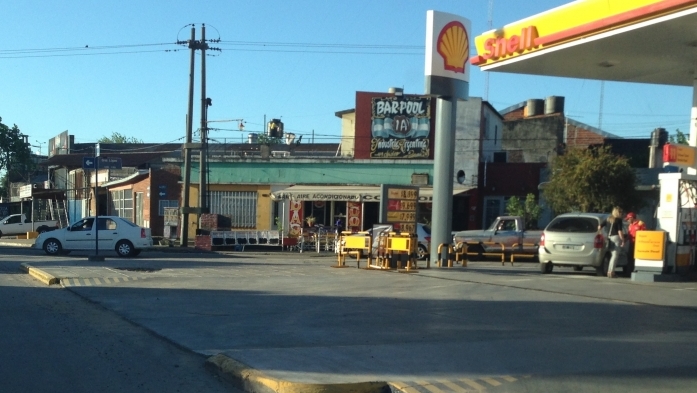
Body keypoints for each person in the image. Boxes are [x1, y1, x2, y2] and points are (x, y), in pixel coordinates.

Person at [600, 207, 625, 278]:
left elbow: (599, 226)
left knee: (611, 255)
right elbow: (619, 231)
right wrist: (623, 240)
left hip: (609, 237)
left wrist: (601, 233)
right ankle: (611, 272)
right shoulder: (618, 220)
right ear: (618, 213)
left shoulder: (608, 219)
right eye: (621, 213)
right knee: (615, 255)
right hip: (616, 237)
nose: (622, 214)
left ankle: (609, 271)